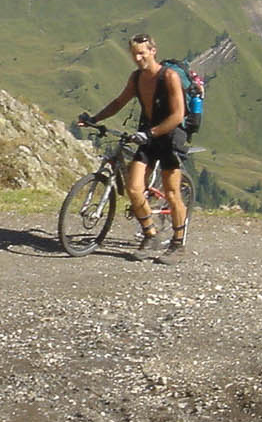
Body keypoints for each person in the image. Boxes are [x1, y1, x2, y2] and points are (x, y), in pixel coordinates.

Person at [77, 32, 190, 256]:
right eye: (134, 54)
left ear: (153, 51)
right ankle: (150, 235)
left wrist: (151, 133)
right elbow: (119, 102)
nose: (138, 58)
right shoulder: (136, 78)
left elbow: (178, 115)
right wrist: (94, 119)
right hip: (148, 135)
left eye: (142, 53)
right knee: (134, 188)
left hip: (170, 137)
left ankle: (178, 244)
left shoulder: (169, 77)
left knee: (172, 193)